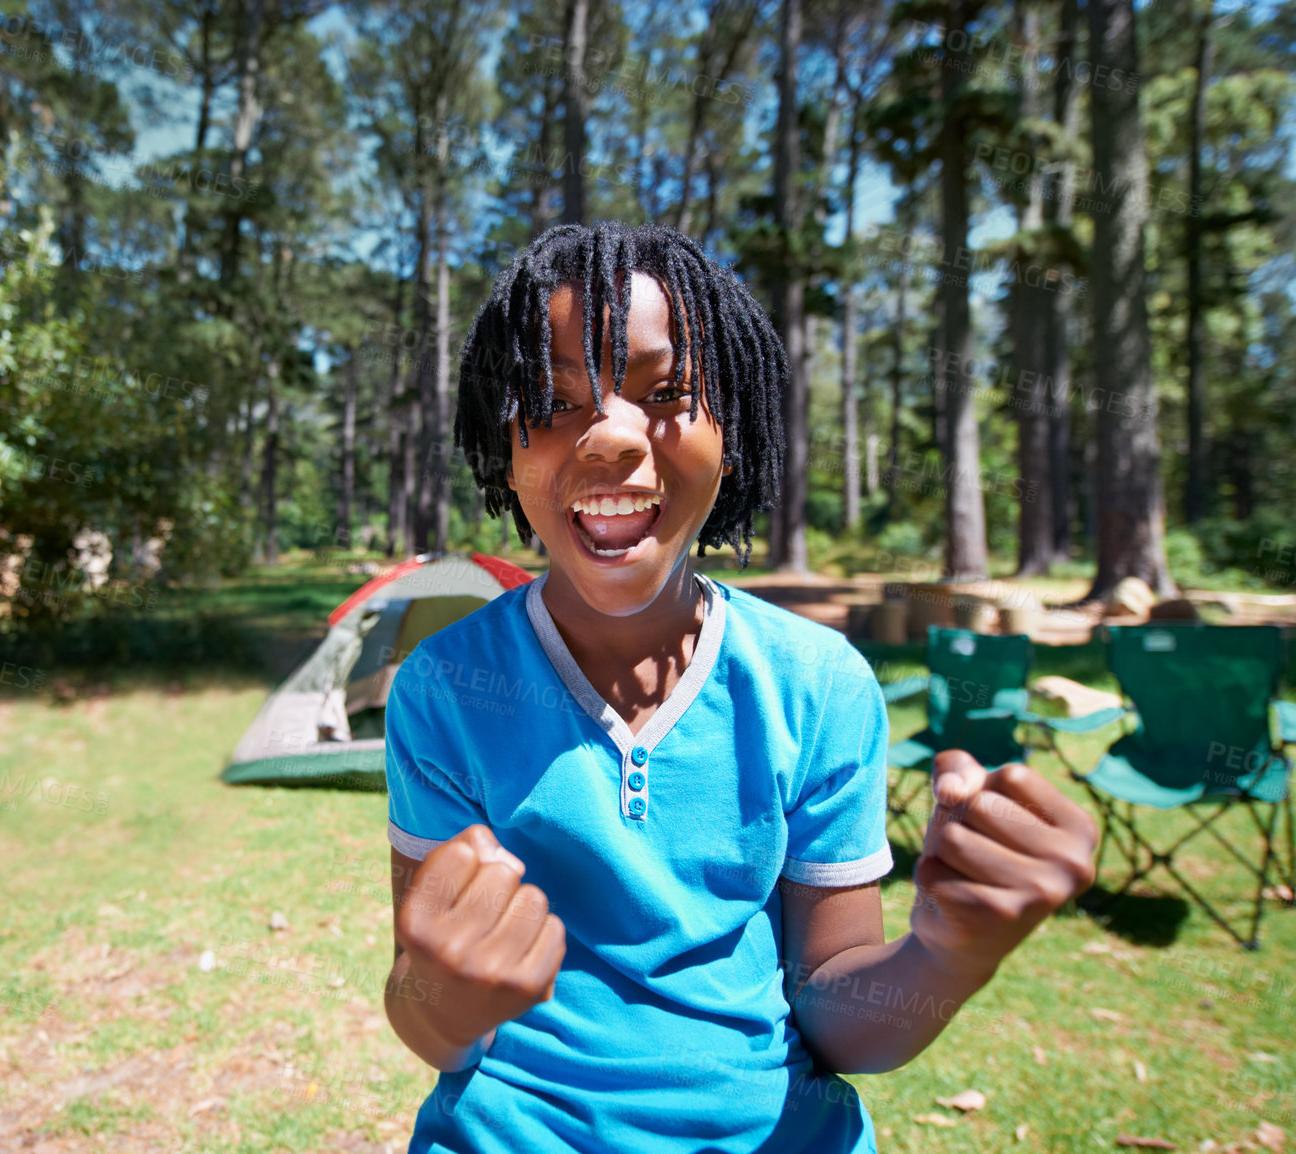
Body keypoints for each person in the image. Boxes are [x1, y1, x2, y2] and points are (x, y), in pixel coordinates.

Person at [380, 221, 1097, 1152]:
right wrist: (443, 994)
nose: (609, 439)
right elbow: (430, 1021)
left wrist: (949, 954)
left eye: (668, 392)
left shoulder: (818, 684)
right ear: (503, 447)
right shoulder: (445, 687)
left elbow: (840, 1020)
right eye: (553, 402)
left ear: (736, 422)